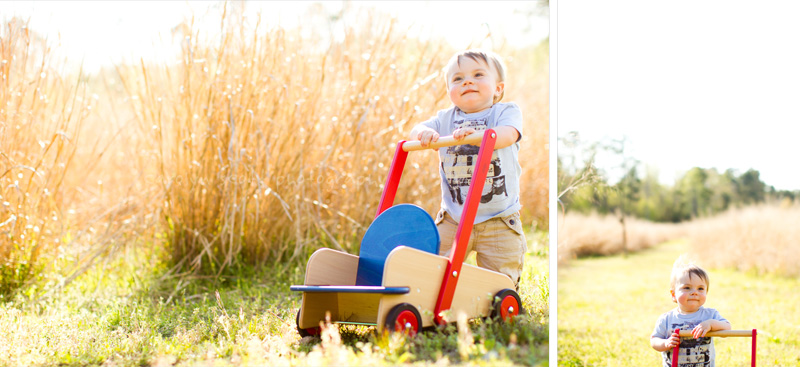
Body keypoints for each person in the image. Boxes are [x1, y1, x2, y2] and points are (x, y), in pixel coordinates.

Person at [408, 49, 526, 289]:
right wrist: (424, 134)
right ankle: (431, 296)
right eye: (458, 79)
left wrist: (478, 136)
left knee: (500, 280)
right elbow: (414, 130)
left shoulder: (504, 112)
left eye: (478, 74)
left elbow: (508, 135)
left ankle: (501, 301)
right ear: (449, 90)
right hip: (453, 216)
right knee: (432, 270)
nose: (468, 81)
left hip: (499, 219)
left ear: (498, 89)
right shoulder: (444, 119)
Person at [650, 258, 731, 367]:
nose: (694, 292)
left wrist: (711, 324)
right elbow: (654, 341)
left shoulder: (710, 315)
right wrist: (666, 343)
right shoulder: (666, 319)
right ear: (673, 294)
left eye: (700, 289)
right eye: (687, 288)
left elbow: (727, 328)